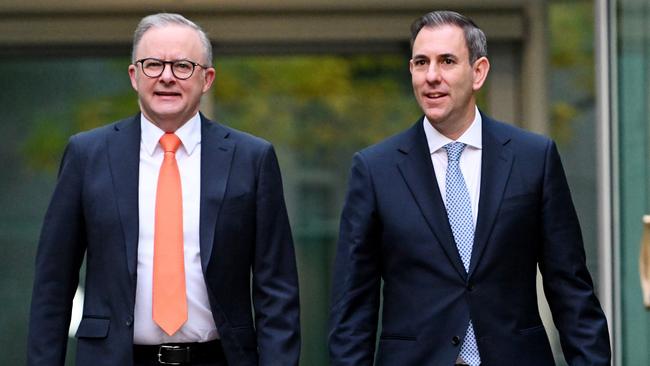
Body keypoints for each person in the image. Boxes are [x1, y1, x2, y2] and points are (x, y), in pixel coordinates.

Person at [328, 10, 610, 366]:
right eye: (420, 63)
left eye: (447, 61)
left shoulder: (533, 158)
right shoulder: (375, 170)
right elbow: (352, 308)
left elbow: (572, 291)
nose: (432, 76)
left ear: (478, 72)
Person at [27, 13, 300, 366]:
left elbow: (276, 289)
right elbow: (53, 284)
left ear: (207, 78)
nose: (167, 77)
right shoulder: (87, 155)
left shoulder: (251, 158)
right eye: (153, 64)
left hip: (219, 358)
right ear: (134, 75)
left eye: (183, 66)